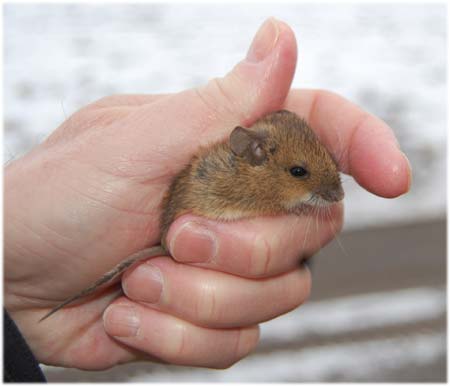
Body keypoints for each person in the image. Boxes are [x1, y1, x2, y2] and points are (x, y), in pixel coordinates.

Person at [4, 18, 411, 381]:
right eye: (300, 174)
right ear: (255, 155)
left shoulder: (270, 167)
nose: (320, 188)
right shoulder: (251, 181)